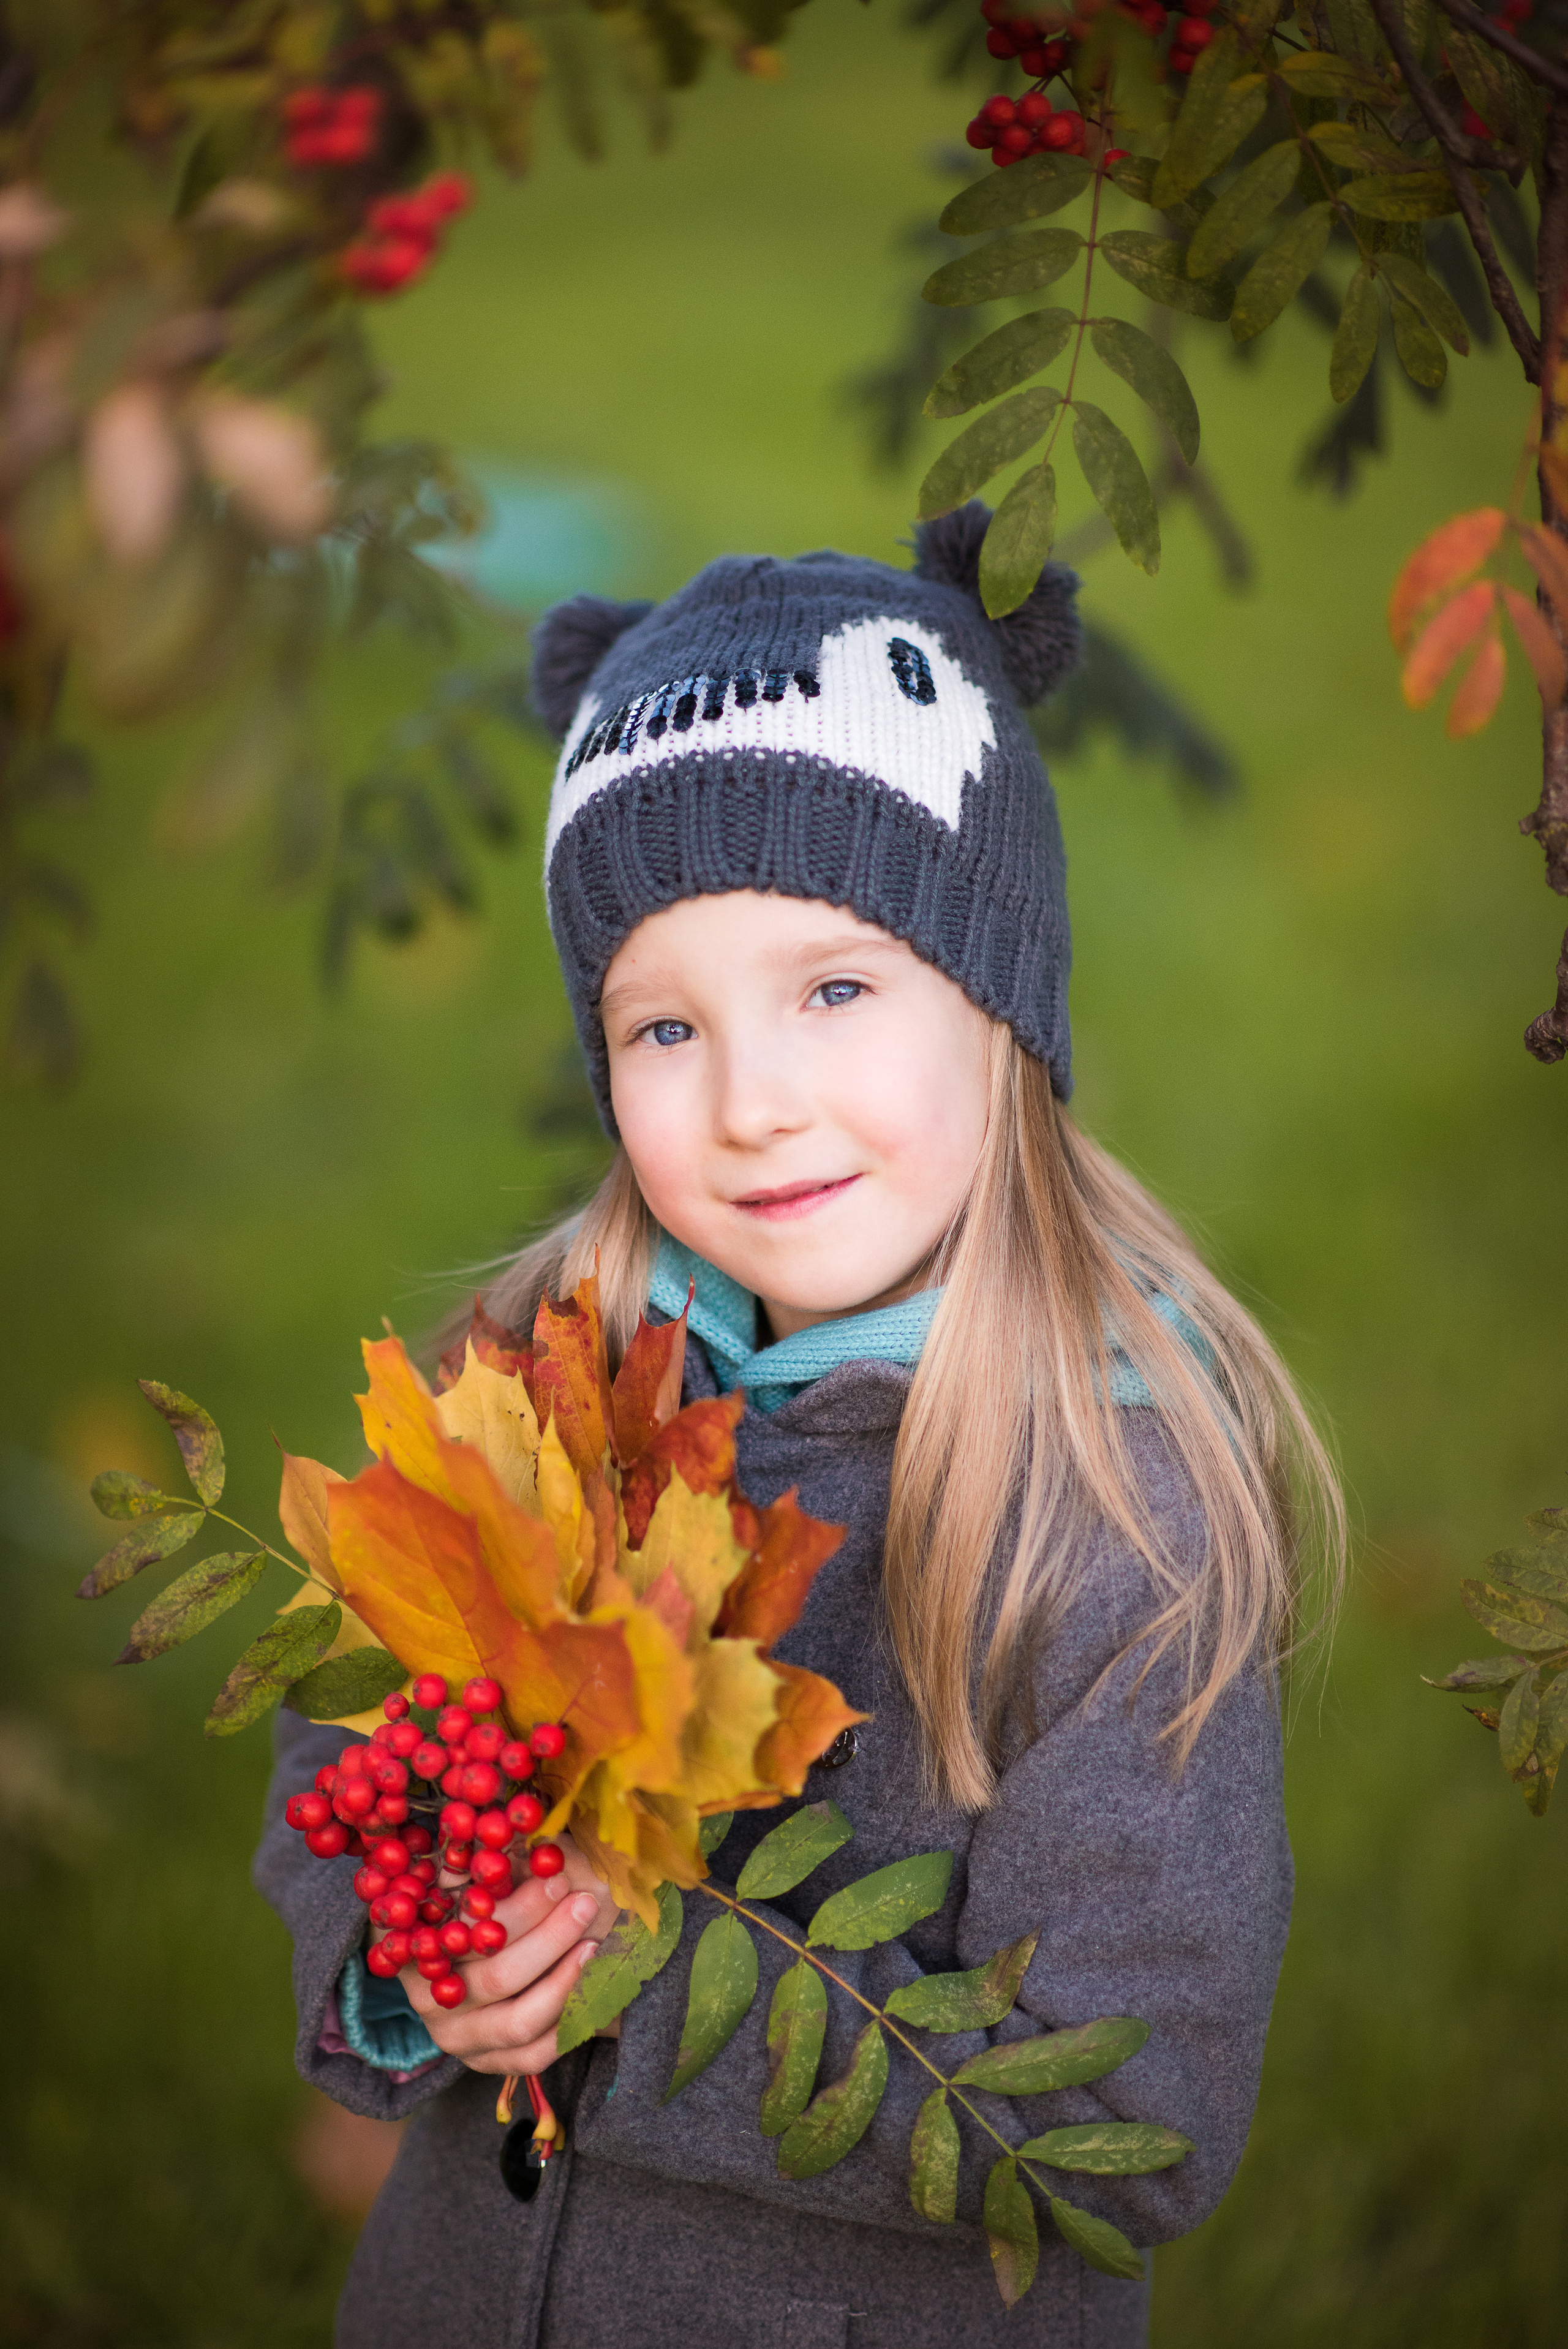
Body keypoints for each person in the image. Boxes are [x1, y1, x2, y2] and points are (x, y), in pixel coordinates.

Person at [255, 502, 1343, 2349]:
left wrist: (640, 1969)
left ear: (1001, 1002)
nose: (753, 1103)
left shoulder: (1111, 1511)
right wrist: (414, 1968)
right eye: (661, 1027)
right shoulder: (526, 1385)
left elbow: (1122, 2123)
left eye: (836, 988)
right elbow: (339, 1778)